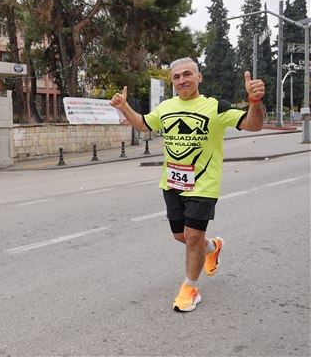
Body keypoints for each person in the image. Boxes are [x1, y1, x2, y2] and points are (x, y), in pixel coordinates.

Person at [111, 57, 265, 312]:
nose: (182, 80)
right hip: (172, 183)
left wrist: (255, 102)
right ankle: (212, 247)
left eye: (187, 74)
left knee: (193, 236)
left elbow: (254, 125)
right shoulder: (166, 107)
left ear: (199, 77)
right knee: (181, 236)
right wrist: (124, 107)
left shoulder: (215, 106)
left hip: (203, 184)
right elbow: (144, 125)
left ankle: (189, 288)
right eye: (176, 77)